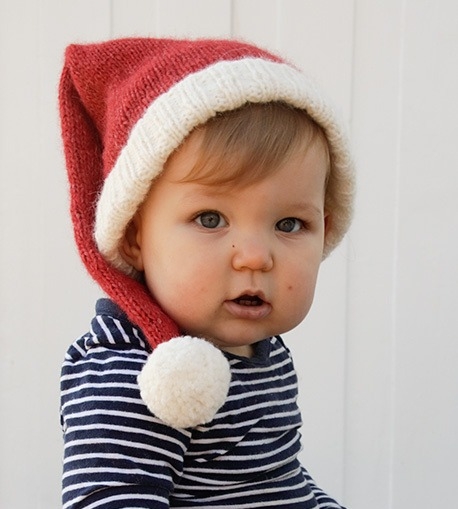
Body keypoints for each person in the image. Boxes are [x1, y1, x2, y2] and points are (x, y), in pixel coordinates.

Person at [59, 37, 355, 509]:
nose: (254, 257)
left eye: (288, 224)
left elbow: (281, 481)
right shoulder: (136, 372)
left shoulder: (266, 352)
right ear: (135, 236)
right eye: (211, 219)